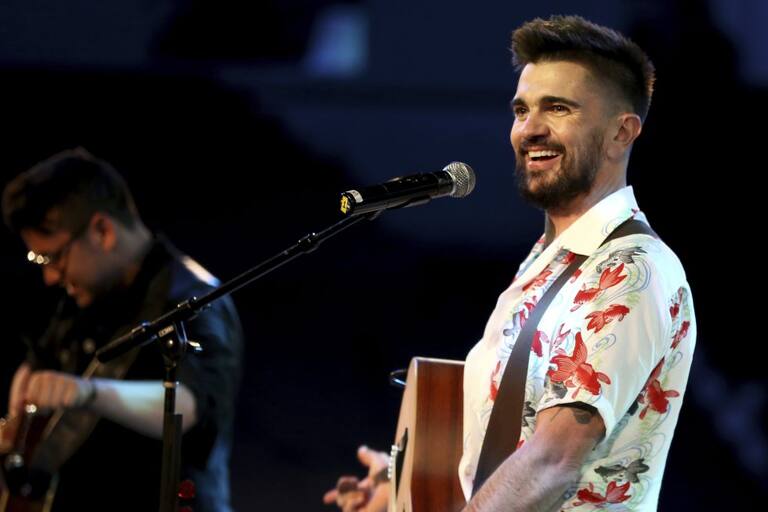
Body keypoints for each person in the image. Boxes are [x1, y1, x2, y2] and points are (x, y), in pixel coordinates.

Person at [324, 15, 696, 512]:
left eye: (558, 108)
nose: (530, 129)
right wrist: (402, 488)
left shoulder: (632, 269)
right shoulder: (551, 260)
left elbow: (551, 461)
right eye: (522, 110)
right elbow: (506, 440)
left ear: (621, 132)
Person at [0, 148, 243, 512]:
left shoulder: (196, 299)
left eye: (53, 258)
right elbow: (40, 361)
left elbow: (191, 405)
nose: (49, 276)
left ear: (102, 231)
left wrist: (87, 392)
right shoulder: (86, 293)